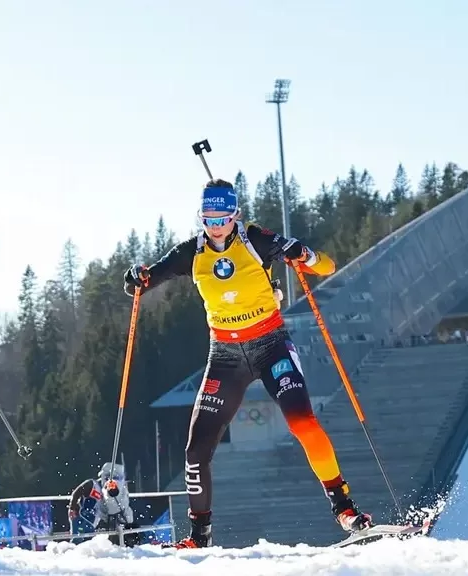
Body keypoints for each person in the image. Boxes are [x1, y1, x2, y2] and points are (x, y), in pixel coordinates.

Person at [123, 179, 372, 549]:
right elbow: (144, 281)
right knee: (196, 450)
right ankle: (199, 536)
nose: (216, 226)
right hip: (225, 356)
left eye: (223, 218)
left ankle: (344, 507)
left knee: (303, 423)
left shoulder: (256, 239)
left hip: (270, 346)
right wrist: (137, 277)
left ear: (235, 215)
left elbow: (326, 265)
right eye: (209, 219)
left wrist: (303, 254)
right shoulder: (191, 252)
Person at [68, 463, 139, 547]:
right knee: (77, 541)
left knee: (87, 544)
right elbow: (76, 492)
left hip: (92, 523)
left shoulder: (107, 493)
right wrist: (72, 507)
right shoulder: (92, 484)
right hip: (81, 517)